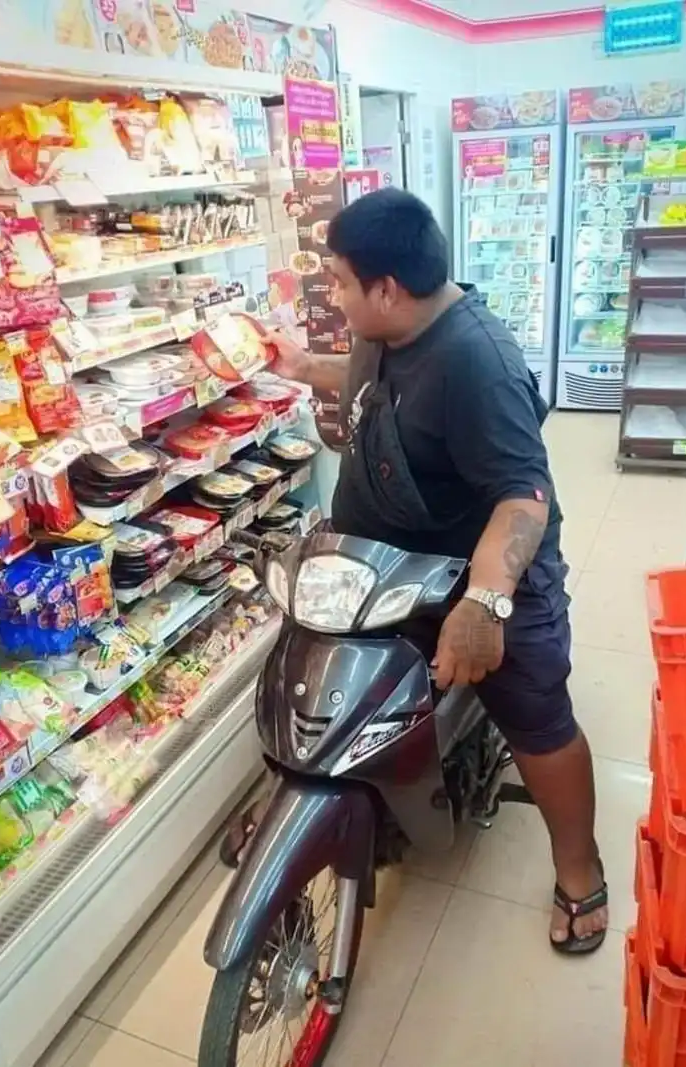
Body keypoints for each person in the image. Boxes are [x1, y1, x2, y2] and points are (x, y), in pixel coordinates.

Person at [251, 188, 607, 954]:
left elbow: (523, 498)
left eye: (340, 282)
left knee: (537, 712)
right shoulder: (388, 328)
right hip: (382, 558)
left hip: (482, 569)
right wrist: (299, 366)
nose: (334, 297)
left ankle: (580, 868)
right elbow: (365, 384)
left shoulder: (477, 364)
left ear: (386, 288)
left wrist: (486, 602)